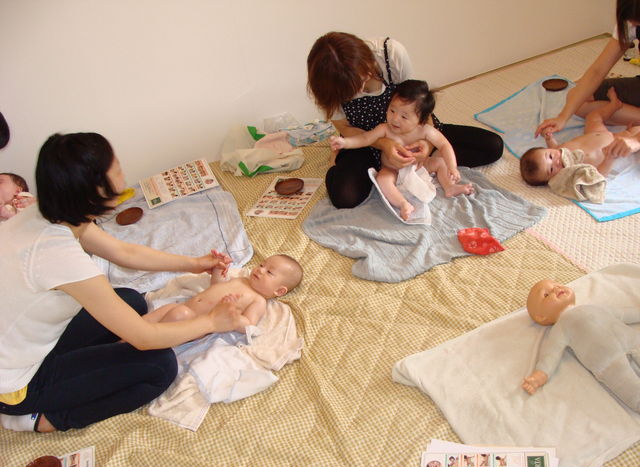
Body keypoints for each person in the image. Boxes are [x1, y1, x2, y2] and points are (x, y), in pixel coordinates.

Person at [0, 132, 249, 433]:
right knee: (160, 366)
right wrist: (212, 321)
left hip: (30, 342)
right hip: (16, 383)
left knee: (131, 300)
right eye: (116, 168)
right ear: (94, 189)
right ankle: (42, 420)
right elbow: (144, 337)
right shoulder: (58, 256)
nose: (122, 172)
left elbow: (123, 252)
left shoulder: (49, 212)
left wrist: (195, 263)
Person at [307, 32, 503, 209]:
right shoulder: (327, 89)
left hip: (412, 131)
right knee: (344, 197)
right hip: (367, 139)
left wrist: (426, 145)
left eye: (363, 79)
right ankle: (343, 161)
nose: (361, 89)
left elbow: (418, 104)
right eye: (352, 90)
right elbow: (346, 128)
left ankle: (422, 166)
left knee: (492, 146)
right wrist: (385, 145)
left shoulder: (390, 53)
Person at [329, 79, 473, 220]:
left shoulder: (425, 130)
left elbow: (444, 145)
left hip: (419, 165)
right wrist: (345, 142)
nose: (395, 119)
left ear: (421, 119)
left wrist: (452, 167)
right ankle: (403, 204)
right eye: (392, 110)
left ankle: (449, 187)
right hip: (392, 169)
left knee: (440, 162)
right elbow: (365, 139)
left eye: (404, 116)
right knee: (382, 179)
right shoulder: (384, 128)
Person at [535, 0, 640, 160]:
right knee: (578, 99)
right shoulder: (630, 20)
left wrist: (635, 140)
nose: (634, 25)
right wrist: (562, 117)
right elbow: (597, 71)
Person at [521, 278, 640, 412]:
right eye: (546, 294)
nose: (555, 289)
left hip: (633, 341)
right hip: (607, 361)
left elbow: (622, 313)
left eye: (557, 284)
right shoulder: (561, 328)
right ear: (541, 317)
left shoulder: (592, 307)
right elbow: (550, 355)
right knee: (628, 386)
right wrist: (539, 376)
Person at [521, 87, 640, 186]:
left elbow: (554, 146)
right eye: (551, 169)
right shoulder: (573, 172)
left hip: (592, 133)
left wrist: (549, 138)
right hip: (612, 143)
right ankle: (628, 131)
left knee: (592, 116)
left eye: (550, 156)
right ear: (552, 180)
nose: (556, 162)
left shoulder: (557, 150)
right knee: (634, 133)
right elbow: (598, 177)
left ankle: (614, 105)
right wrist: (609, 159)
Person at [154, 253, 303, 327]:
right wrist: (218, 271)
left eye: (269, 272)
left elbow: (249, 324)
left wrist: (236, 318)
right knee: (168, 309)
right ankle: (140, 331)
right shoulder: (241, 280)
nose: (261, 270)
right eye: (262, 265)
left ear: (279, 291)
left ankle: (149, 344)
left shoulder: (258, 301)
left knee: (179, 313)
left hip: (196, 322)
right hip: (184, 307)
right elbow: (216, 286)